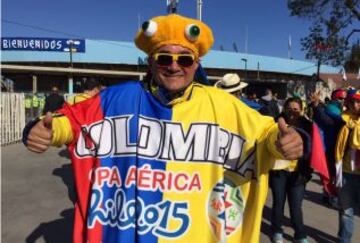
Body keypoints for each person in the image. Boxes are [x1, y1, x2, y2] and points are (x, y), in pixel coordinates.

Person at [23, 14, 305, 243]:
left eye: (184, 59)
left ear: (196, 64)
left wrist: (284, 142)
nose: (173, 66)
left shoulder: (226, 105)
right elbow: (71, 120)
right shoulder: (117, 99)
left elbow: (265, 133)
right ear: (150, 62)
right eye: (164, 58)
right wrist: (42, 130)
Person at [269, 97, 314, 243]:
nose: (292, 112)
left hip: (298, 174)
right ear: (284, 109)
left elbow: (313, 148)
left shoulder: (308, 126)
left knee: (295, 207)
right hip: (278, 172)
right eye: (289, 108)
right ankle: (277, 231)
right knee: (278, 203)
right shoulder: (274, 123)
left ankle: (300, 234)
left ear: (301, 110)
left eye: (296, 109)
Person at [310, 89, 347, 205]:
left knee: (337, 174)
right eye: (340, 98)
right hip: (330, 146)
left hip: (341, 146)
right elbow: (326, 121)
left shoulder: (344, 110)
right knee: (331, 173)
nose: (343, 101)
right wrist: (316, 106)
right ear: (335, 98)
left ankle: (330, 194)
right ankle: (329, 195)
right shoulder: (330, 109)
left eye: (344, 99)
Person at [335, 89, 360, 243]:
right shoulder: (342, 122)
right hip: (346, 173)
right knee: (346, 211)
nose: (358, 105)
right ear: (349, 103)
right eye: (356, 101)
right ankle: (344, 240)